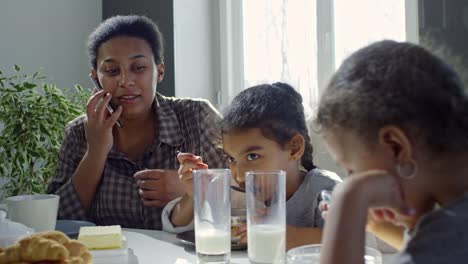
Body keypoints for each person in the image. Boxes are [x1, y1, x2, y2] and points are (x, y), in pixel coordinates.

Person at [47, 15, 225, 229]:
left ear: (159, 72)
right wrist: (95, 152)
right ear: (95, 77)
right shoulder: (79, 132)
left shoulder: (198, 117)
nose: (125, 81)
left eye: (138, 68)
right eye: (112, 71)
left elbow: (247, 189)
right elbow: (56, 220)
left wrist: (189, 188)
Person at [316, 40, 468, 263]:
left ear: (396, 147)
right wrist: (413, 223)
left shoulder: (449, 236)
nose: (353, 178)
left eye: (352, 170)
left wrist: (349, 199)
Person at [163, 82, 341, 247]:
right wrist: (194, 194)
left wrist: (277, 235)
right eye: (232, 159)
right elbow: (176, 227)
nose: (239, 176)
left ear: (294, 148)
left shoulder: (324, 189)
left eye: (253, 156)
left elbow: (349, 240)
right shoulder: (236, 191)